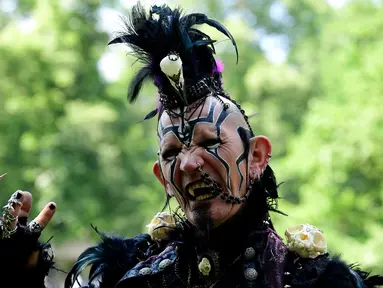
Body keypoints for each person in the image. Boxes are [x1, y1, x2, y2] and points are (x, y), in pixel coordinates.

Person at [0, 3, 382, 288]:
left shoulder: (310, 280)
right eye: (170, 153)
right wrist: (21, 268)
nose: (187, 164)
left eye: (210, 141)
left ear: (257, 157)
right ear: (161, 178)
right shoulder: (132, 276)